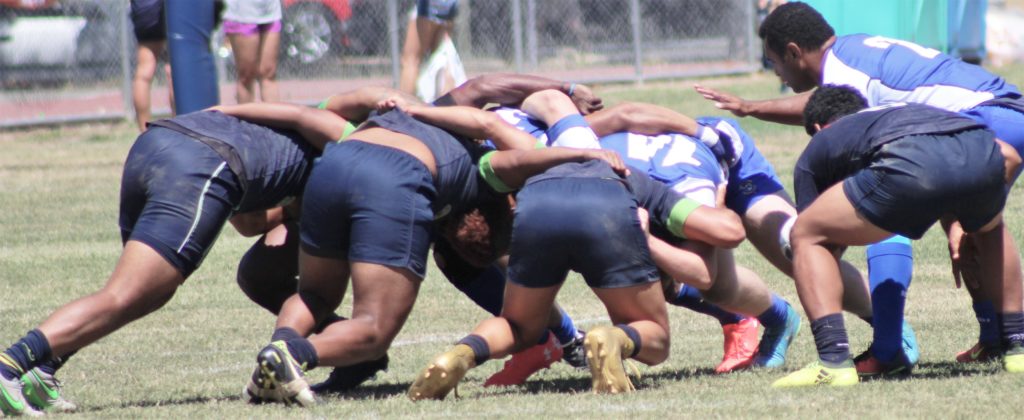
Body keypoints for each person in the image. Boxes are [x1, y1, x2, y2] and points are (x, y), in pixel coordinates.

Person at [692, 0, 1022, 372]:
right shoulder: (853, 51)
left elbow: (832, 110)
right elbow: (830, 103)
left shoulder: (843, 70)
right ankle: (1003, 339)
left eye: (776, 64)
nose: (780, 76)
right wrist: (751, 108)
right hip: (1000, 118)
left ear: (794, 52)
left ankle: (885, 349)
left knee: (887, 214)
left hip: (981, 121)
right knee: (978, 227)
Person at [242, 101, 628, 406]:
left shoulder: (446, 139)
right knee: (373, 331)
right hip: (395, 173)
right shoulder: (484, 174)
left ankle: (276, 352)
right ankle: (293, 355)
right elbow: (513, 149)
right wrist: (582, 156)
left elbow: (489, 126)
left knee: (317, 295)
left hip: (335, 163)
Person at [0, 99, 364, 416]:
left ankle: (42, 369)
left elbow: (249, 221)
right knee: (128, 294)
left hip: (157, 144)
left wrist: (287, 213)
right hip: (204, 160)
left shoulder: (274, 149)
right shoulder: (347, 151)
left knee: (141, 293)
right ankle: (10, 366)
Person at [772, 85, 1024, 387]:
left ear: (817, 127)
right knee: (991, 228)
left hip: (907, 159)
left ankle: (833, 360)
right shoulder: (902, 109)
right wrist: (980, 216)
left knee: (805, 235)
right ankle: (1018, 346)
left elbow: (822, 244)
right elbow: (1009, 156)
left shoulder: (820, 144)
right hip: (979, 147)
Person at [400, 0, 465, 102]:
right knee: (442, 57)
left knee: (411, 61)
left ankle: (402, 111)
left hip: (429, 5)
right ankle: (444, 111)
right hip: (450, 5)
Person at [223, 0, 281, 103]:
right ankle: (246, 118)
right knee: (247, 76)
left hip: (271, 11)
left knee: (269, 73)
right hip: (241, 15)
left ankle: (274, 118)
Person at [130, 0, 173, 131]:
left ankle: (144, 133)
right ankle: (182, 131)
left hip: (144, 6)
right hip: (172, 7)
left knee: (144, 71)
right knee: (174, 70)